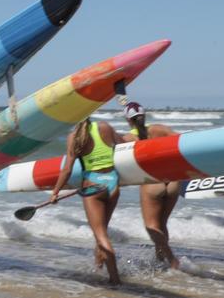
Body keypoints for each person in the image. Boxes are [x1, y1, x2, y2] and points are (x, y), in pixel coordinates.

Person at [49, 118, 124, 284]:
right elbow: (124, 147)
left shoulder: (74, 136)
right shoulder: (105, 127)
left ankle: (114, 278)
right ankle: (98, 269)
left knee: (101, 235)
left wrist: (55, 192)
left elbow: (67, 169)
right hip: (113, 184)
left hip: (93, 187)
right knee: (102, 230)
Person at [120, 102, 180, 269]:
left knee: (151, 227)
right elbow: (183, 142)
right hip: (173, 181)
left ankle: (172, 260)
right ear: (144, 116)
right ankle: (159, 260)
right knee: (162, 224)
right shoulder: (159, 129)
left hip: (152, 183)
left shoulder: (127, 139)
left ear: (127, 119)